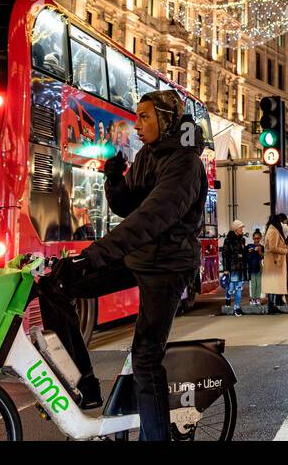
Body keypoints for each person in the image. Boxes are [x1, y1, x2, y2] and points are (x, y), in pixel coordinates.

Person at [38, 90, 209, 440]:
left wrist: (96, 253)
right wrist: (114, 179)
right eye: (137, 116)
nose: (137, 124)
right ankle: (84, 383)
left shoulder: (186, 164)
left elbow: (150, 218)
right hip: (141, 256)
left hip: (168, 266)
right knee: (55, 284)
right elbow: (128, 205)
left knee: (146, 360)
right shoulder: (149, 155)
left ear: (167, 119)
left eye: (144, 116)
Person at [262, 212, 288, 313]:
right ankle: (271, 306)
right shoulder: (273, 231)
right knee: (272, 284)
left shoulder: (271, 229)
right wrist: (285, 250)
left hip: (273, 262)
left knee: (273, 284)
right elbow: (273, 247)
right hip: (274, 262)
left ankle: (273, 305)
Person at [221, 220, 248, 315]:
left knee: (239, 288)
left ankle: (237, 307)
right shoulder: (228, 240)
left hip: (240, 267)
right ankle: (228, 297)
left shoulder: (242, 239)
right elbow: (225, 255)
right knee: (231, 288)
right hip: (232, 268)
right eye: (240, 227)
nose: (242, 229)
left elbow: (243, 253)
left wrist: (244, 254)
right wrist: (225, 269)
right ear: (235, 229)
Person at [245, 229, 264, 306]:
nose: (256, 240)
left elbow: (264, 256)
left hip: (259, 268)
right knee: (253, 284)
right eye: (255, 238)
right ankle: (253, 298)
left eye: (258, 238)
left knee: (259, 284)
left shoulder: (262, 247)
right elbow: (247, 257)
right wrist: (252, 251)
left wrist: (259, 251)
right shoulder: (249, 246)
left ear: (260, 238)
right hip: (252, 268)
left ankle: (258, 298)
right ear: (253, 238)